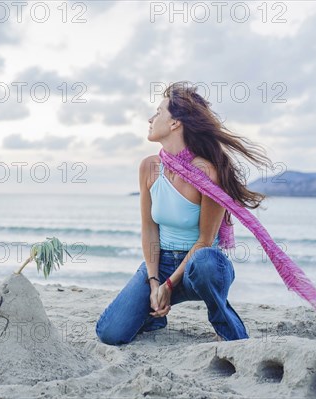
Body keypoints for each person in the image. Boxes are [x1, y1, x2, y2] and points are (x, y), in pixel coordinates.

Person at [95, 81, 275, 345]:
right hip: (163, 262)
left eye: (158, 112)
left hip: (201, 270)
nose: (150, 118)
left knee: (204, 261)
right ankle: (155, 316)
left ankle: (223, 322)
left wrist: (169, 286)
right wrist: (155, 282)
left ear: (174, 123)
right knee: (110, 333)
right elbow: (149, 229)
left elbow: (204, 240)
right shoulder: (148, 167)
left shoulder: (207, 172)